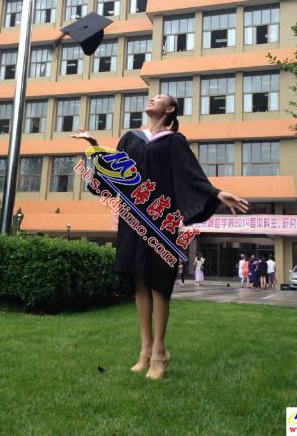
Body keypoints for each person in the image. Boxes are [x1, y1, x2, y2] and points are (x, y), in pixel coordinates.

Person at [72, 93, 249, 380]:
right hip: (132, 216)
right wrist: (93, 146)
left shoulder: (174, 141)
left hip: (160, 217)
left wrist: (216, 193)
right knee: (139, 280)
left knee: (158, 282)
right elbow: (115, 170)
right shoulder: (131, 138)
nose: (151, 99)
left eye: (159, 98)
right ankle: (144, 349)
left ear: (170, 109)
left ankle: (159, 350)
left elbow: (191, 174)